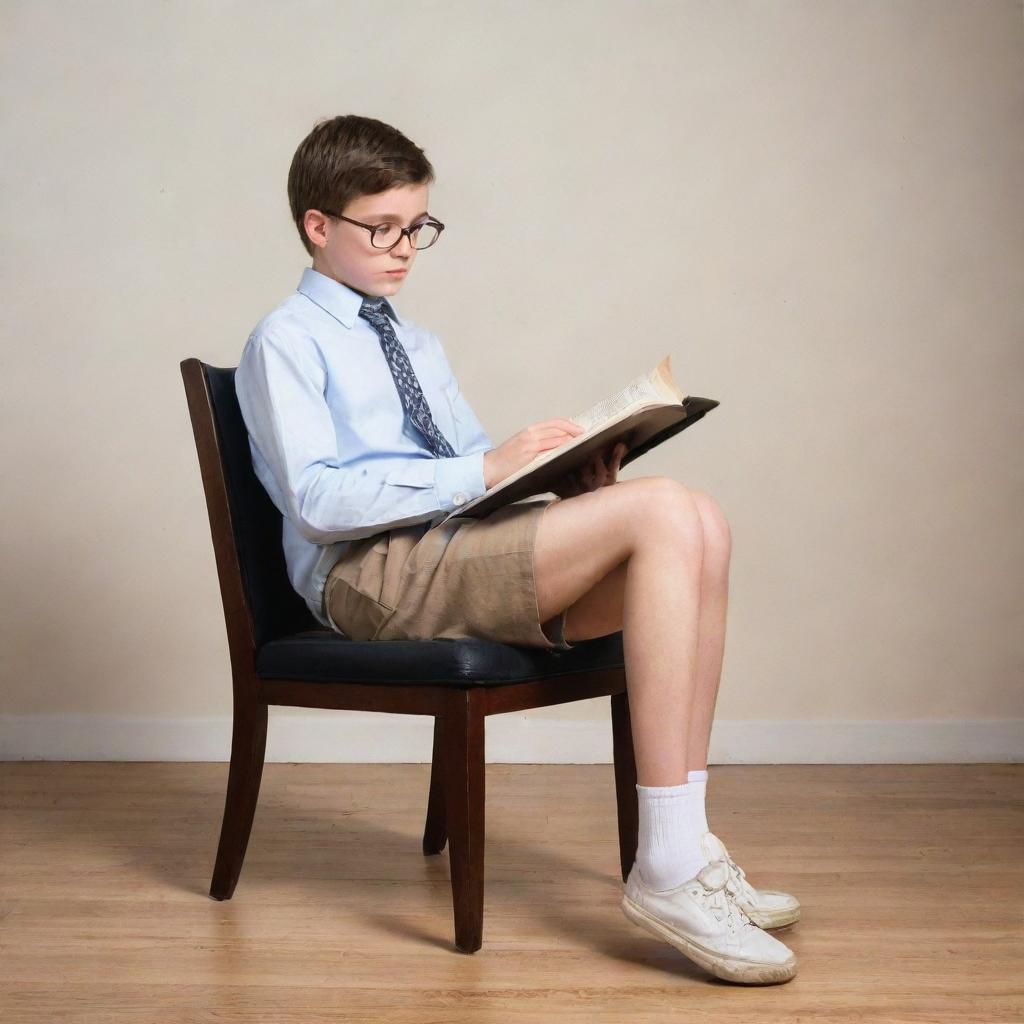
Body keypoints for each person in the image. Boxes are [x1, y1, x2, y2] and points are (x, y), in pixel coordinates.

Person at [234, 114, 800, 985]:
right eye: (381, 228)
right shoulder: (286, 340)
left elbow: (477, 480)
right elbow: (315, 500)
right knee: (663, 517)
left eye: (417, 227)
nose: (403, 249)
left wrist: (562, 485)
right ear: (318, 225)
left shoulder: (415, 342)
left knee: (698, 525)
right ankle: (667, 872)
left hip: (448, 553)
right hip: (369, 576)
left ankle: (688, 844)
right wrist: (483, 471)